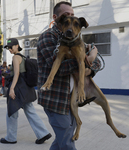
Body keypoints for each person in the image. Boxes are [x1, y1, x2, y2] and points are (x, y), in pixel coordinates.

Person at [37, 1, 100, 150]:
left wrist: (90, 65)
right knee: (67, 142)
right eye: (66, 17)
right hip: (55, 99)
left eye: (73, 15)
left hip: (71, 98)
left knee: (62, 140)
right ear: (56, 18)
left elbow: (97, 61)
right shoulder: (48, 37)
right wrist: (87, 61)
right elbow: (59, 68)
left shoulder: (77, 39)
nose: (71, 21)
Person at [0, 38, 51, 144]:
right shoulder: (23, 57)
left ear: (17, 45)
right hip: (26, 89)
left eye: (11, 47)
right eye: (8, 48)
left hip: (18, 89)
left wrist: (12, 89)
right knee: (30, 111)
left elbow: (17, 74)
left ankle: (11, 137)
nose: (9, 49)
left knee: (11, 112)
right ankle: (43, 133)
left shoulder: (15, 57)